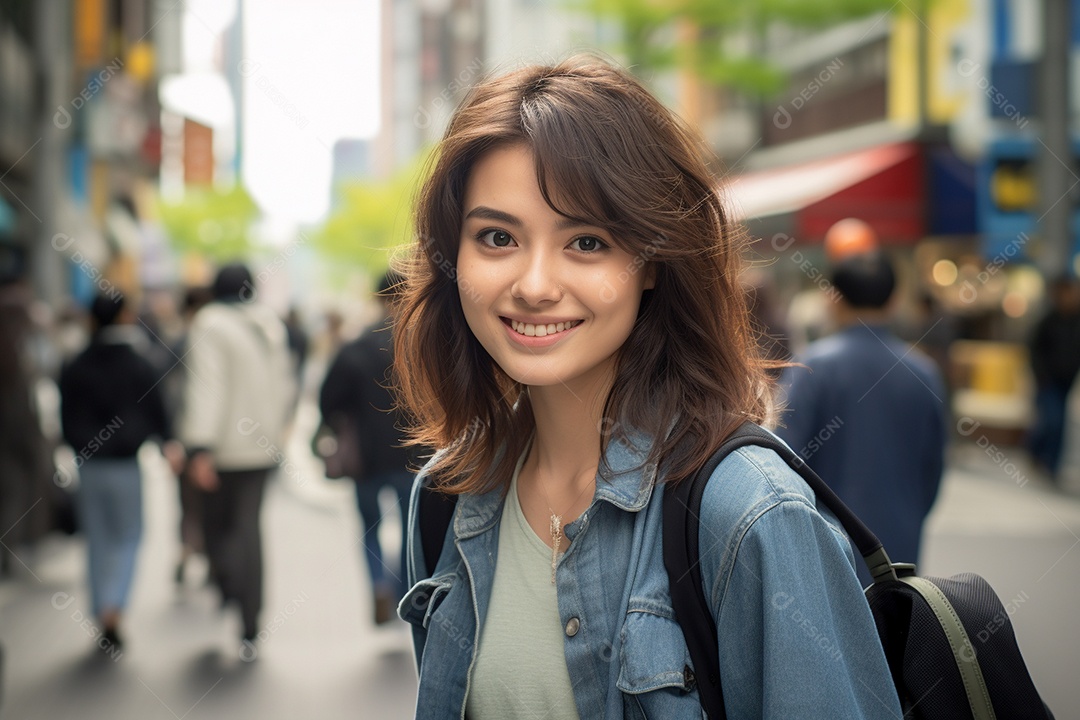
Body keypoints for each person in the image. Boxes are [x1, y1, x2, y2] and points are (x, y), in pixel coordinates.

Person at [392, 58, 901, 718]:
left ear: (652, 262)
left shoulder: (750, 515)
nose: (536, 284)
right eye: (497, 237)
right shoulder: (445, 499)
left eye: (586, 242)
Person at [777, 245, 947, 583]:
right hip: (900, 546)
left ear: (834, 300)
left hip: (825, 546)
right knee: (894, 631)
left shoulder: (812, 367)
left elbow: (785, 459)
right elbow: (933, 468)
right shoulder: (924, 372)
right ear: (895, 300)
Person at [177, 263, 295, 646]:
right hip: (262, 446)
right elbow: (285, 384)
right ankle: (251, 615)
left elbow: (207, 386)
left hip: (223, 448)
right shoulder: (268, 324)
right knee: (249, 526)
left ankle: (229, 587)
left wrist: (200, 446)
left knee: (216, 525)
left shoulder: (209, 322)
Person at [58, 292, 174, 650]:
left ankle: (100, 609)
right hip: (125, 462)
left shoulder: (76, 364)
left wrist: (79, 445)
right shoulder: (139, 363)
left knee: (97, 539)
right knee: (128, 537)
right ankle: (114, 607)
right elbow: (158, 409)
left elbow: (66, 417)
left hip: (90, 464)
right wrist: (166, 442)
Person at [318, 269, 419, 624]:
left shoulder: (355, 347)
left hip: (365, 456)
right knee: (412, 529)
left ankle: (378, 585)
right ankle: (406, 592)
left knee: (370, 527)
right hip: (414, 456)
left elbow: (328, 401)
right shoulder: (422, 344)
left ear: (377, 299)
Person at [1027, 276, 1080, 478]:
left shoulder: (1076, 321)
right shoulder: (1049, 320)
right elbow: (1034, 348)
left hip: (1067, 381)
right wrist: (1040, 374)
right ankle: (1037, 454)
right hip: (1048, 381)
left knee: (1060, 425)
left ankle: (1052, 465)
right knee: (1051, 420)